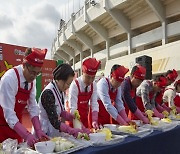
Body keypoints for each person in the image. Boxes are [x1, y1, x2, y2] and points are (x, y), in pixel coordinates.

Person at [0, 48, 48, 146]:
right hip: (2, 127)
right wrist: (26, 135)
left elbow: (33, 106)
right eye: (32, 72)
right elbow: (9, 114)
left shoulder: (31, 81)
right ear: (24, 65)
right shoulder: (10, 79)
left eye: (37, 73)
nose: (34, 76)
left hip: (17, 126)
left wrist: (38, 130)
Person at [38, 63, 84, 137]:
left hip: (54, 131)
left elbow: (60, 110)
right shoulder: (48, 93)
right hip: (45, 130)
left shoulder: (60, 90)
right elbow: (55, 121)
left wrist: (70, 116)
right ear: (60, 79)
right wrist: (70, 130)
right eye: (67, 84)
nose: (68, 87)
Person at [68, 58, 101, 129]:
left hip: (84, 118)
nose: (90, 80)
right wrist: (79, 125)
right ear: (83, 72)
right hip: (73, 119)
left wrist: (94, 120)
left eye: (93, 77)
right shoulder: (75, 85)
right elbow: (73, 108)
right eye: (88, 77)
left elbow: (94, 103)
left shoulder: (93, 85)